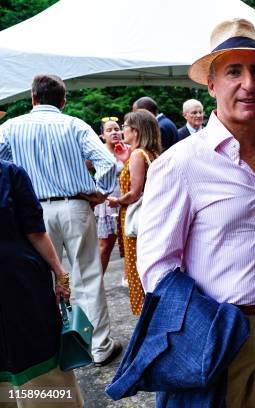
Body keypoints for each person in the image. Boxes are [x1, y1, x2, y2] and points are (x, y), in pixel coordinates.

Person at [137, 18, 255, 407]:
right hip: (216, 329)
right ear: (211, 85)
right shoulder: (180, 164)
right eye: (234, 72)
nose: (249, 83)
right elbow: (156, 268)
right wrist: (205, 326)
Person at [0, 74, 122, 367]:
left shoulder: (10, 128)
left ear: (32, 98)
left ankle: (50, 348)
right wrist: (100, 193)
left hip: (32, 212)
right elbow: (109, 164)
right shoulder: (75, 125)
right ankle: (99, 347)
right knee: (88, 277)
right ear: (63, 100)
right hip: (75, 206)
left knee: (42, 281)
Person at [0, 160, 84, 407]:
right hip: (20, 281)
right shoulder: (9, 172)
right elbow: (35, 231)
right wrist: (61, 274)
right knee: (35, 347)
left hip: (20, 280)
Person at [107, 110, 161, 316]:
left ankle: (144, 316)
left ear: (135, 131)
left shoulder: (138, 155)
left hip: (135, 218)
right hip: (148, 217)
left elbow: (134, 193)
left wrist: (117, 200)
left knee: (136, 269)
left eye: (125, 127)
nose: (122, 131)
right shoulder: (149, 153)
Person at [94, 117, 124, 275]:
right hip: (107, 202)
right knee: (105, 246)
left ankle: (130, 278)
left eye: (117, 129)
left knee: (130, 243)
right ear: (102, 136)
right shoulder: (98, 153)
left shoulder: (129, 149)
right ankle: (96, 284)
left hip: (126, 200)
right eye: (109, 130)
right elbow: (82, 170)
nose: (114, 132)